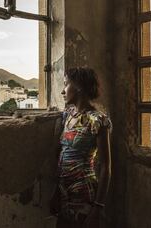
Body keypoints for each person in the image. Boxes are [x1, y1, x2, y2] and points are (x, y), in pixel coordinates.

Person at [51, 67, 112, 228]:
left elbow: (106, 166)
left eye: (66, 85)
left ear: (78, 87)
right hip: (64, 192)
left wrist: (97, 208)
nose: (63, 91)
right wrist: (56, 191)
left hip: (83, 192)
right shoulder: (68, 115)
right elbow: (61, 153)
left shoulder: (97, 120)